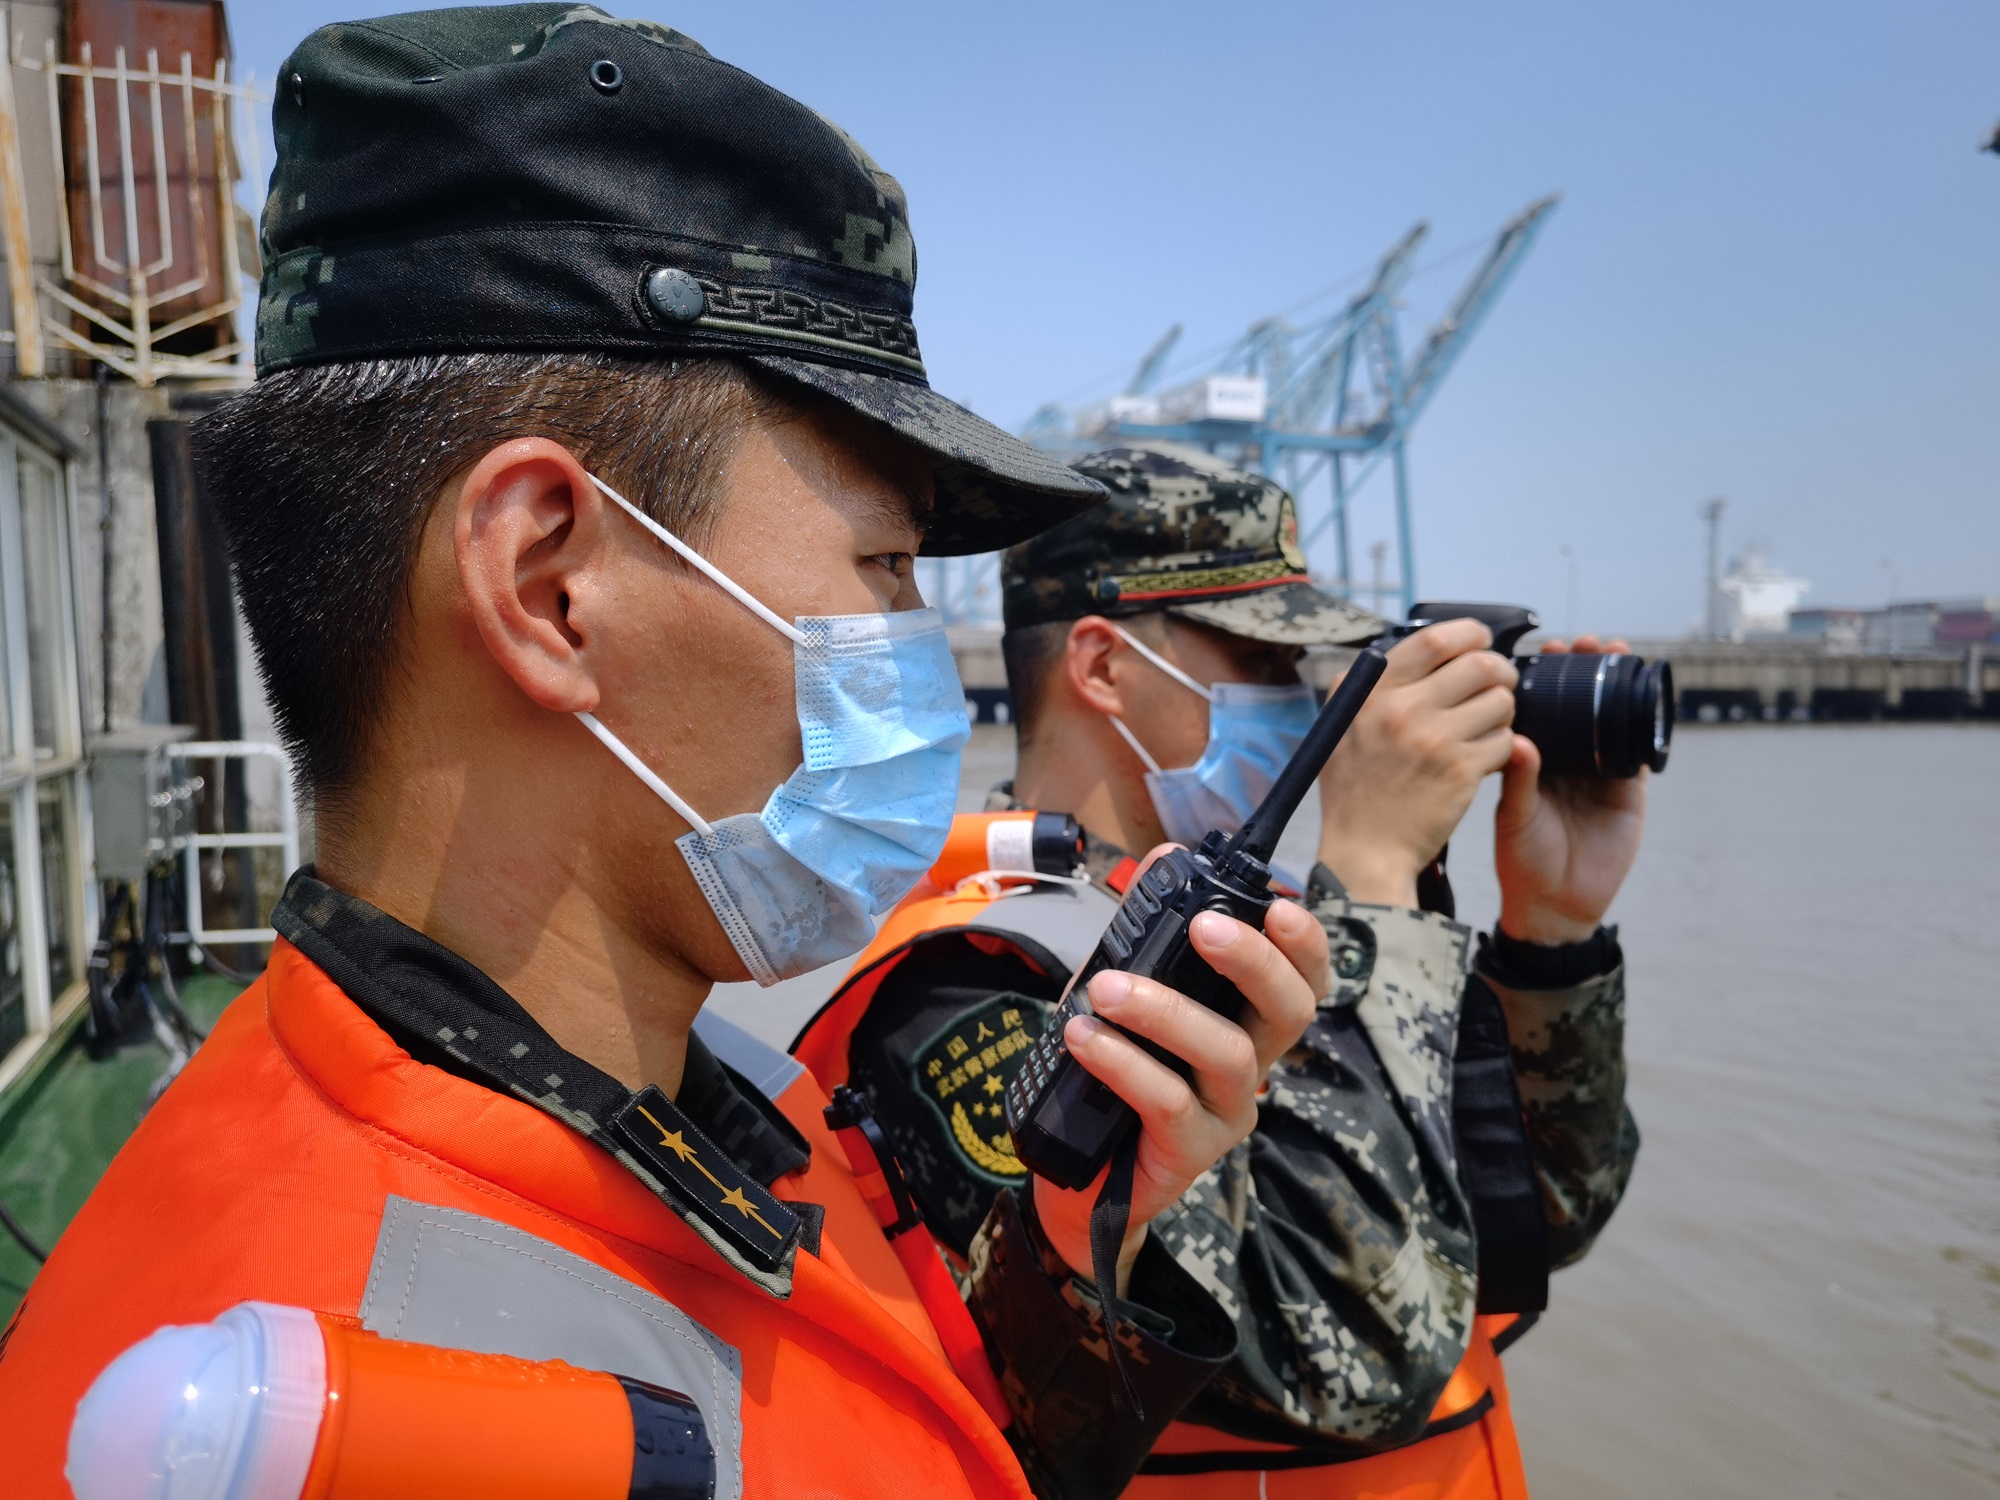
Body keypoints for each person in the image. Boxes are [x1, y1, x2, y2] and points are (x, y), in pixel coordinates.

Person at [0, 15, 1334, 1500]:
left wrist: (1092, 1241)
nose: (918, 647)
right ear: (550, 587)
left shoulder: (660, 1083)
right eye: (885, 563)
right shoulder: (297, 1416)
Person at [794, 443, 1646, 1496]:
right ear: (1102, 667)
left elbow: (1531, 1228)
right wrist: (1373, 876)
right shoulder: (973, 990)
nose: (1305, 701)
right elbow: (1354, 1365)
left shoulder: (1274, 929)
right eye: (1265, 663)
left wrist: (1550, 937)